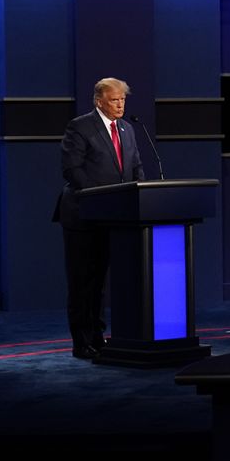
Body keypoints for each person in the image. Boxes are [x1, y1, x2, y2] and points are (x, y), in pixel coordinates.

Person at [53, 77, 144, 360]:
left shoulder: (128, 129)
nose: (120, 104)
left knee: (101, 284)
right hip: (83, 216)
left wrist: (145, 194)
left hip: (115, 218)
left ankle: (98, 336)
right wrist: (99, 197)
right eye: (114, 100)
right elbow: (72, 169)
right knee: (83, 283)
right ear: (99, 101)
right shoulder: (80, 127)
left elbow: (136, 167)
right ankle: (81, 342)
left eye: (123, 99)